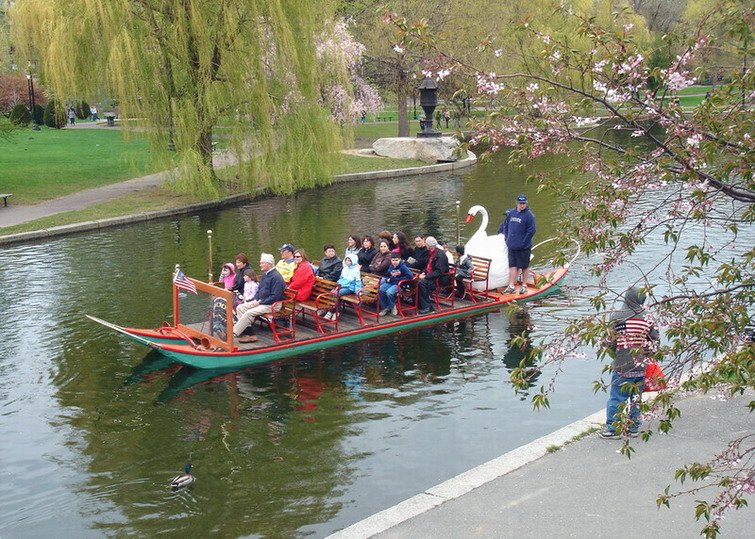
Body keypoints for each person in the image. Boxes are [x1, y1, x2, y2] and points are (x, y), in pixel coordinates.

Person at [599, 286, 660, 439]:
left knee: (617, 397)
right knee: (636, 398)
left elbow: (611, 340)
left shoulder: (618, 316)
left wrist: (611, 349)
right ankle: (633, 428)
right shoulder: (648, 317)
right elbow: (655, 341)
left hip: (622, 364)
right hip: (641, 365)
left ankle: (613, 429)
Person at [233, 253, 286, 343]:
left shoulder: (276, 277)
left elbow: (276, 296)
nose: (260, 265)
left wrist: (260, 302)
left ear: (269, 264)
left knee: (249, 313)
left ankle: (233, 333)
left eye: (262, 263)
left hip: (272, 304)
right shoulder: (265, 274)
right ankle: (250, 334)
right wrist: (256, 299)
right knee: (240, 308)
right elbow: (259, 290)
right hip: (262, 301)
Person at [499, 194, 536, 294]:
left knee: (524, 266)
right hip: (512, 244)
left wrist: (524, 242)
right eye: (520, 203)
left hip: (524, 246)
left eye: (524, 203)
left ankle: (524, 285)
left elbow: (531, 230)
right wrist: (507, 238)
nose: (522, 205)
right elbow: (505, 226)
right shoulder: (511, 213)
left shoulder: (529, 215)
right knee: (513, 265)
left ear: (526, 203)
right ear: (517, 203)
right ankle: (511, 285)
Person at [417, 236, 450, 314]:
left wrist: (427, 276)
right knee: (416, 281)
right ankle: (420, 303)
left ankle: (428, 306)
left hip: (440, 278)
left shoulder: (440, 255)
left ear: (429, 245)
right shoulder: (431, 253)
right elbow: (428, 266)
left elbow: (440, 271)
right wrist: (423, 273)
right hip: (432, 276)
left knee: (422, 283)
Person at [379, 252, 414, 316]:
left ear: (399, 259)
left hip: (400, 284)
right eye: (393, 260)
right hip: (391, 283)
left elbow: (410, 276)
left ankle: (392, 307)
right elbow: (388, 275)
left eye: (396, 260)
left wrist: (397, 280)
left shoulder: (403, 267)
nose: (395, 262)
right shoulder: (391, 267)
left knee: (389, 292)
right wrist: (387, 279)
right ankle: (385, 307)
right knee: (381, 289)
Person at [328, 254, 362, 320]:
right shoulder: (345, 268)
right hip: (342, 285)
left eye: (349, 260)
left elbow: (358, 282)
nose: (347, 262)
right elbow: (341, 278)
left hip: (349, 287)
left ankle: (334, 311)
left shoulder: (356, 270)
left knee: (337, 293)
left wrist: (358, 292)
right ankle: (334, 309)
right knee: (332, 292)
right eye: (346, 260)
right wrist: (339, 283)